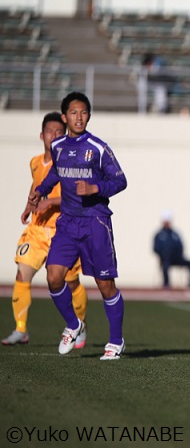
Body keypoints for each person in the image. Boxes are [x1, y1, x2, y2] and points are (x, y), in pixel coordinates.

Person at [27, 91, 128, 360]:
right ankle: (74, 325)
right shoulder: (59, 146)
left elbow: (120, 181)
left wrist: (96, 187)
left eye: (83, 112)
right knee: (53, 276)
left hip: (95, 221)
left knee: (105, 285)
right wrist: (40, 190)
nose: (79, 117)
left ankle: (116, 341)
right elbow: (56, 173)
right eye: (73, 113)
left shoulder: (98, 147)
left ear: (89, 115)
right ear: (65, 117)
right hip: (68, 223)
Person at [2, 112, 88, 347]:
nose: (54, 135)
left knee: (71, 283)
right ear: (42, 135)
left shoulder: (73, 164)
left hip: (64, 231)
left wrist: (50, 203)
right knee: (22, 274)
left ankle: (80, 323)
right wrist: (28, 207)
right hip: (38, 231)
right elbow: (37, 187)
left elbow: (77, 198)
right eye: (50, 131)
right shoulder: (35, 162)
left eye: (59, 132)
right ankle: (21, 329)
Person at [153, 210, 190, 289]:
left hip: (177, 258)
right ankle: (166, 285)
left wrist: (178, 254)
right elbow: (155, 248)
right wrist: (164, 254)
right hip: (166, 259)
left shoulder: (175, 234)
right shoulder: (159, 235)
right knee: (165, 265)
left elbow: (181, 246)